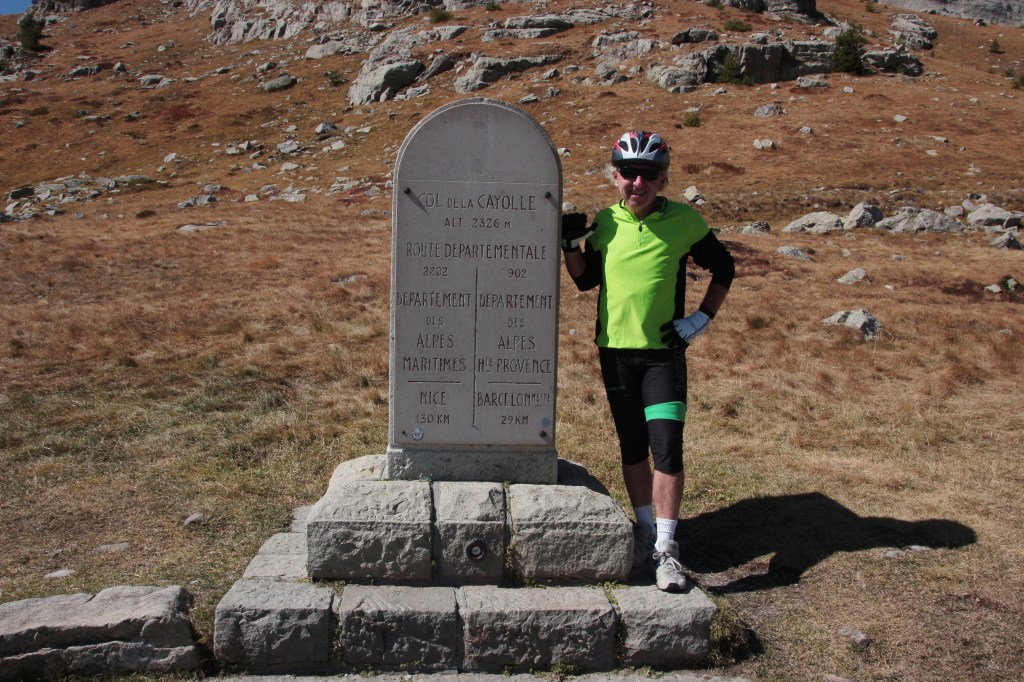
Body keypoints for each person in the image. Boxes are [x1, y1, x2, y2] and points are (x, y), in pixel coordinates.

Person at [561, 131, 735, 592]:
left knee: (667, 446)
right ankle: (644, 533)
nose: (638, 182)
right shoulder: (605, 222)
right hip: (615, 354)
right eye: (629, 172)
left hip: (662, 357)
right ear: (615, 175)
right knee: (633, 447)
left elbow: (724, 267)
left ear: (663, 179)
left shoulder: (685, 220)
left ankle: (666, 548)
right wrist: (570, 247)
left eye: (649, 174)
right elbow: (585, 281)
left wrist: (701, 318)